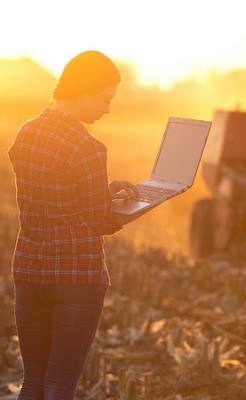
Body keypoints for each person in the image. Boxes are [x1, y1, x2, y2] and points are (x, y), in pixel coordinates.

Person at [8, 50, 139, 399]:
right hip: (76, 275)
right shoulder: (87, 146)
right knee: (60, 385)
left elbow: (57, 197)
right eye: (105, 98)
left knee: (33, 381)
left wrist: (102, 193)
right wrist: (133, 208)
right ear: (85, 89)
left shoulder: (25, 134)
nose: (107, 108)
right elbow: (98, 220)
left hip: (29, 270)